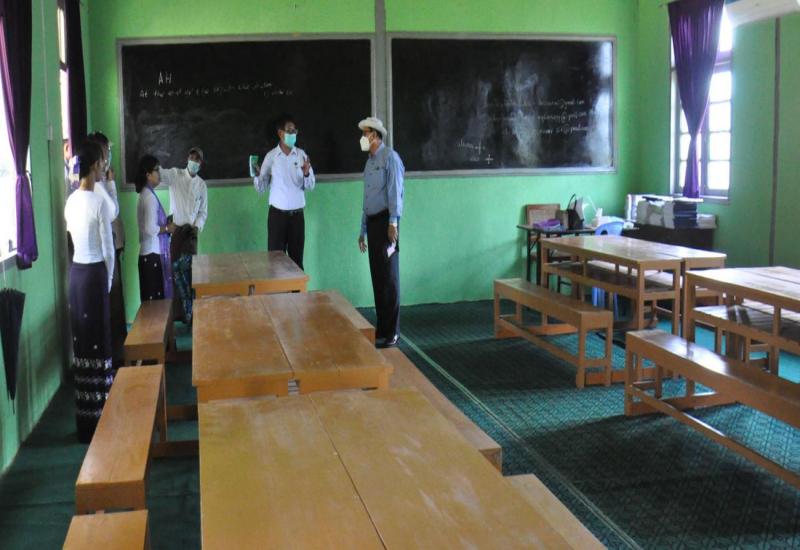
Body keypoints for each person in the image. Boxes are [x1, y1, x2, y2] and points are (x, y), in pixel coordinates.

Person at [64, 140, 115, 443]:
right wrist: (107, 282)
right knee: (99, 343)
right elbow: (108, 250)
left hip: (77, 276)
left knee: (83, 345)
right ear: (95, 166)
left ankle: (85, 421)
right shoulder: (98, 203)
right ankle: (103, 417)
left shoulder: (70, 201)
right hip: (95, 276)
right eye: (102, 164)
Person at [357, 117, 404, 348]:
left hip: (387, 223)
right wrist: (362, 230)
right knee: (378, 277)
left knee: (389, 278)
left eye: (365, 133)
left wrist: (393, 223)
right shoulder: (369, 163)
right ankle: (382, 329)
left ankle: (393, 331)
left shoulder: (390, 158)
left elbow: (396, 192)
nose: (362, 138)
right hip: (373, 223)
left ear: (375, 135)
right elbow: (367, 198)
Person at [253, 114, 315, 269]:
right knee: (275, 263)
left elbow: (311, 186)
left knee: (297, 262)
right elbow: (261, 188)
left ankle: (297, 287)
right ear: (280, 133)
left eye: (295, 131)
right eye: (289, 131)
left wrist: (307, 173)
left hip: (297, 218)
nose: (293, 134)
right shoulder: (271, 157)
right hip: (277, 217)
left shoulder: (302, 155)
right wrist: (257, 176)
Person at [87, 132, 127, 367]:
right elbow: (113, 211)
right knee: (111, 306)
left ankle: (118, 352)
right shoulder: (97, 185)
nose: (108, 157)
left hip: (110, 248)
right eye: (106, 151)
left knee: (116, 306)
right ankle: (115, 356)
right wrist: (111, 184)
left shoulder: (99, 182)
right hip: (102, 256)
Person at [159, 146, 208, 323]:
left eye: (198, 159)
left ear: (201, 163)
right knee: (175, 274)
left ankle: (192, 316)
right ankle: (178, 314)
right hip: (176, 233)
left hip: (191, 235)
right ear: (187, 158)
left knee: (191, 275)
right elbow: (159, 173)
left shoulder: (201, 185)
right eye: (192, 158)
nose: (194, 161)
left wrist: (197, 226)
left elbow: (203, 212)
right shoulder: (175, 175)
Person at [135, 155, 175, 302]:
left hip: (148, 255)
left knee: (152, 305)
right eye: (157, 170)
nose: (160, 173)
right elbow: (150, 228)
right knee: (156, 307)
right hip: (152, 256)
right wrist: (167, 228)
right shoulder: (149, 197)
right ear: (148, 174)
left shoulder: (145, 194)